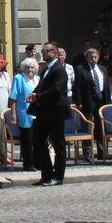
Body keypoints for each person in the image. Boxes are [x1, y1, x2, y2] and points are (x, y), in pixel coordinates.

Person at [28, 42, 70, 186]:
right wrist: (33, 94)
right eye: (43, 50)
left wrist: (38, 97)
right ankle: (46, 174)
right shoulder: (46, 69)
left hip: (56, 112)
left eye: (47, 50)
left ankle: (58, 176)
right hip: (43, 112)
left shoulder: (59, 70)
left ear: (56, 53)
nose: (44, 53)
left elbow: (56, 90)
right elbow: (41, 87)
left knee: (58, 145)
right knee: (38, 142)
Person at [73, 48, 110, 162]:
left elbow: (106, 87)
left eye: (95, 57)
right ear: (87, 58)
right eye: (91, 57)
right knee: (87, 128)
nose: (93, 59)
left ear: (98, 57)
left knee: (101, 127)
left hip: (100, 102)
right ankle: (87, 153)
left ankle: (102, 151)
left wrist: (107, 103)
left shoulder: (103, 69)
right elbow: (77, 87)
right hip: (87, 102)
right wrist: (78, 102)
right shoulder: (80, 69)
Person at [9, 57, 40, 171]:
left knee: (38, 140)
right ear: (23, 68)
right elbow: (13, 98)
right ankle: (28, 164)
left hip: (37, 114)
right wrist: (13, 115)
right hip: (24, 114)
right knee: (27, 140)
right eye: (27, 67)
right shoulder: (18, 78)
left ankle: (38, 163)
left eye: (32, 67)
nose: (30, 70)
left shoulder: (38, 79)